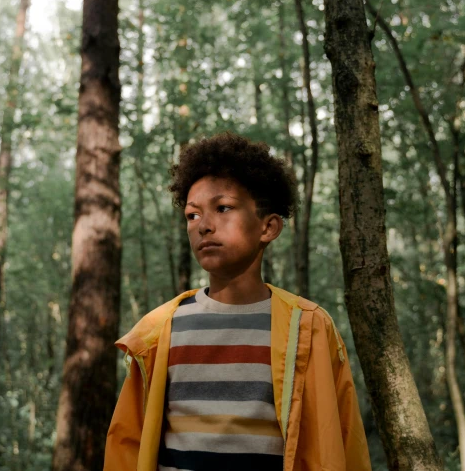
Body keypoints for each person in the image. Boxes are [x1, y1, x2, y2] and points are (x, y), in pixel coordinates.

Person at [104, 132, 371, 471]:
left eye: (223, 208)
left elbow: (342, 439)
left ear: (268, 227)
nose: (204, 226)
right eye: (192, 215)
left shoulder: (308, 326)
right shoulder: (159, 331)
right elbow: (126, 443)